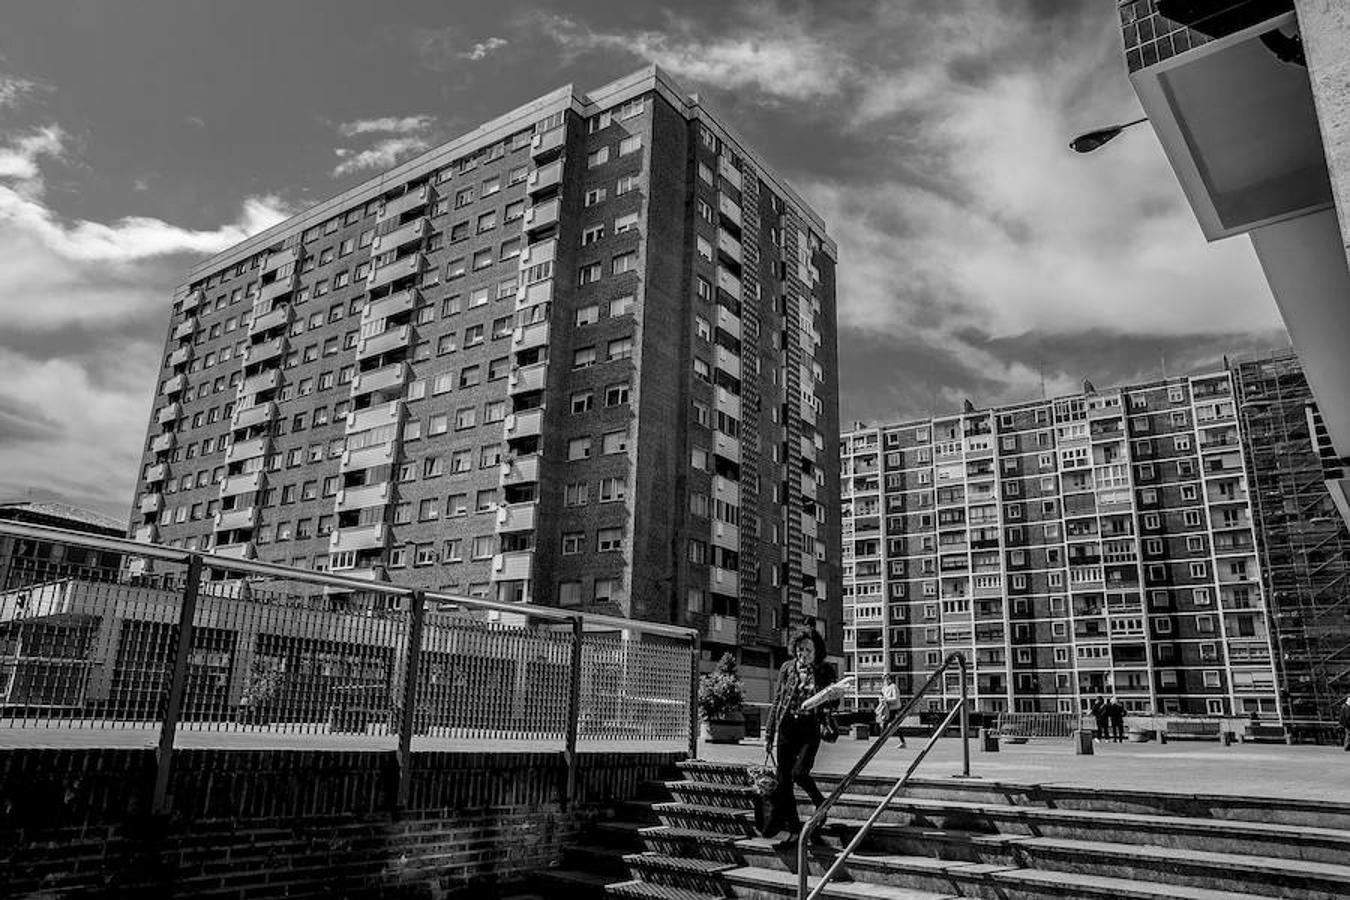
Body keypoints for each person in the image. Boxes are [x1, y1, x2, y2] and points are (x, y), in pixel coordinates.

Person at [763, 628, 837, 845]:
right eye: (800, 648)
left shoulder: (824, 671)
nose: (803, 653)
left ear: (816, 652)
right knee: (783, 781)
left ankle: (820, 803)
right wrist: (769, 734)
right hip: (786, 726)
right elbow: (777, 700)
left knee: (799, 772)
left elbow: (833, 702)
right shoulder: (787, 668)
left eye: (808, 650)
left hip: (809, 728)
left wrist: (831, 697)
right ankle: (795, 830)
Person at [878, 674, 907, 748]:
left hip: (894, 708)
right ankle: (903, 742)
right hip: (887, 708)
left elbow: (895, 698)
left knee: (885, 723)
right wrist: (881, 699)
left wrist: (886, 700)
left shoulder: (893, 687)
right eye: (884, 679)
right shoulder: (884, 687)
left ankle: (880, 741)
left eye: (887, 679)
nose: (885, 681)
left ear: (890, 679)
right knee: (894, 725)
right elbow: (882, 696)